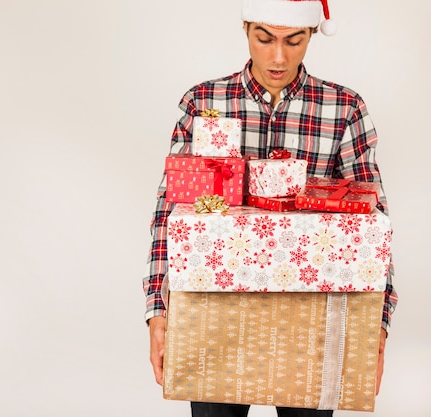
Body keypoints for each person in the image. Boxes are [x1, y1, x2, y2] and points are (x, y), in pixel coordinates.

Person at [142, 1, 398, 416]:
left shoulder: (344, 108)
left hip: (312, 312)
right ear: (246, 27)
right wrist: (158, 308)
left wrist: (377, 324)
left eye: (293, 40)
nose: (278, 57)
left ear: (312, 35)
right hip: (212, 307)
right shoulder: (203, 101)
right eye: (265, 38)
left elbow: (374, 224)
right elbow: (169, 211)